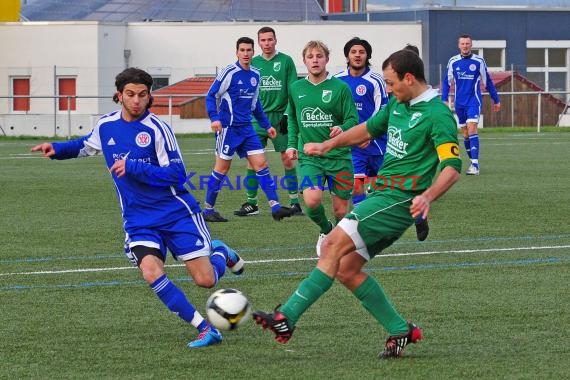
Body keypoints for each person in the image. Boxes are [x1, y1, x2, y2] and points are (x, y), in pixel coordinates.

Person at [253, 49, 462, 359]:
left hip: (398, 200)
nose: (387, 90)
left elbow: (452, 166)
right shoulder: (398, 104)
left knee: (332, 245)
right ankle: (399, 329)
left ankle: (287, 317)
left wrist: (428, 195)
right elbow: (365, 130)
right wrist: (327, 144)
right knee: (347, 270)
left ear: (409, 78)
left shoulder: (437, 114)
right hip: (381, 197)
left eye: (391, 84)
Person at [31, 67, 244, 349]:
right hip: (139, 219)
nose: (136, 100)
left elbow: (178, 174)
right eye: (130, 94)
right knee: (151, 272)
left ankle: (220, 251)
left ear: (149, 97)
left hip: (175, 213)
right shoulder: (106, 125)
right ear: (119, 96)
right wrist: (57, 150)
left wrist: (133, 167)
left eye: (142, 95)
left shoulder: (157, 130)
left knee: (205, 280)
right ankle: (205, 329)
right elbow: (85, 145)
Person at [334, 37, 429, 242]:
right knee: (357, 185)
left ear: (367, 55)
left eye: (361, 52)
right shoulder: (338, 79)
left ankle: (419, 215)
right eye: (353, 52)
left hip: (377, 143)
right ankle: (362, 228)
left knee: (395, 185)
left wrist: (370, 133)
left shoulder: (376, 80)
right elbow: (335, 108)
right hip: (354, 145)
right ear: (347, 56)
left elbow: (382, 110)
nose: (357, 55)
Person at [204, 36, 293, 222]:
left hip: (247, 129)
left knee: (261, 164)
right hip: (228, 129)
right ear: (237, 52)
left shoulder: (255, 74)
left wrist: (267, 126)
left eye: (249, 50)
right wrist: (214, 118)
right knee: (222, 169)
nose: (246, 53)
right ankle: (208, 210)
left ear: (253, 52)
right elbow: (211, 95)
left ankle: (275, 207)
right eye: (242, 50)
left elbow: (256, 105)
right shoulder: (229, 72)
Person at [285, 40, 358, 256]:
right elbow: (293, 121)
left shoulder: (340, 88)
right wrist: (291, 145)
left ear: (326, 59)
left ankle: (339, 242)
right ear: (304, 60)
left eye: (319, 56)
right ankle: (326, 231)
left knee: (341, 210)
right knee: (311, 201)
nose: (315, 60)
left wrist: (342, 127)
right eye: (310, 56)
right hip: (309, 157)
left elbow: (353, 119)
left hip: (339, 156)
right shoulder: (296, 88)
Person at [233, 27, 303, 217]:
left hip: (280, 117)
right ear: (259, 43)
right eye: (263, 40)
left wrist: (288, 115)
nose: (267, 43)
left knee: (288, 159)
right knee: (253, 161)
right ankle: (252, 204)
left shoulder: (286, 61)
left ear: (275, 40)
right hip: (257, 119)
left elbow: (293, 90)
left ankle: (295, 202)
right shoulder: (253, 63)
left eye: (270, 39)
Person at [441, 34, 500, 176]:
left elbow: (488, 81)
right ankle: (472, 162)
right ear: (459, 45)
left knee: (472, 128)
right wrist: (444, 99)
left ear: (471, 45)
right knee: (465, 133)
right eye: (463, 43)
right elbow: (446, 82)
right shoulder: (453, 61)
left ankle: (475, 164)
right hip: (459, 102)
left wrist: (496, 99)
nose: (465, 46)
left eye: (467, 43)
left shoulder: (478, 61)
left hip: (473, 101)